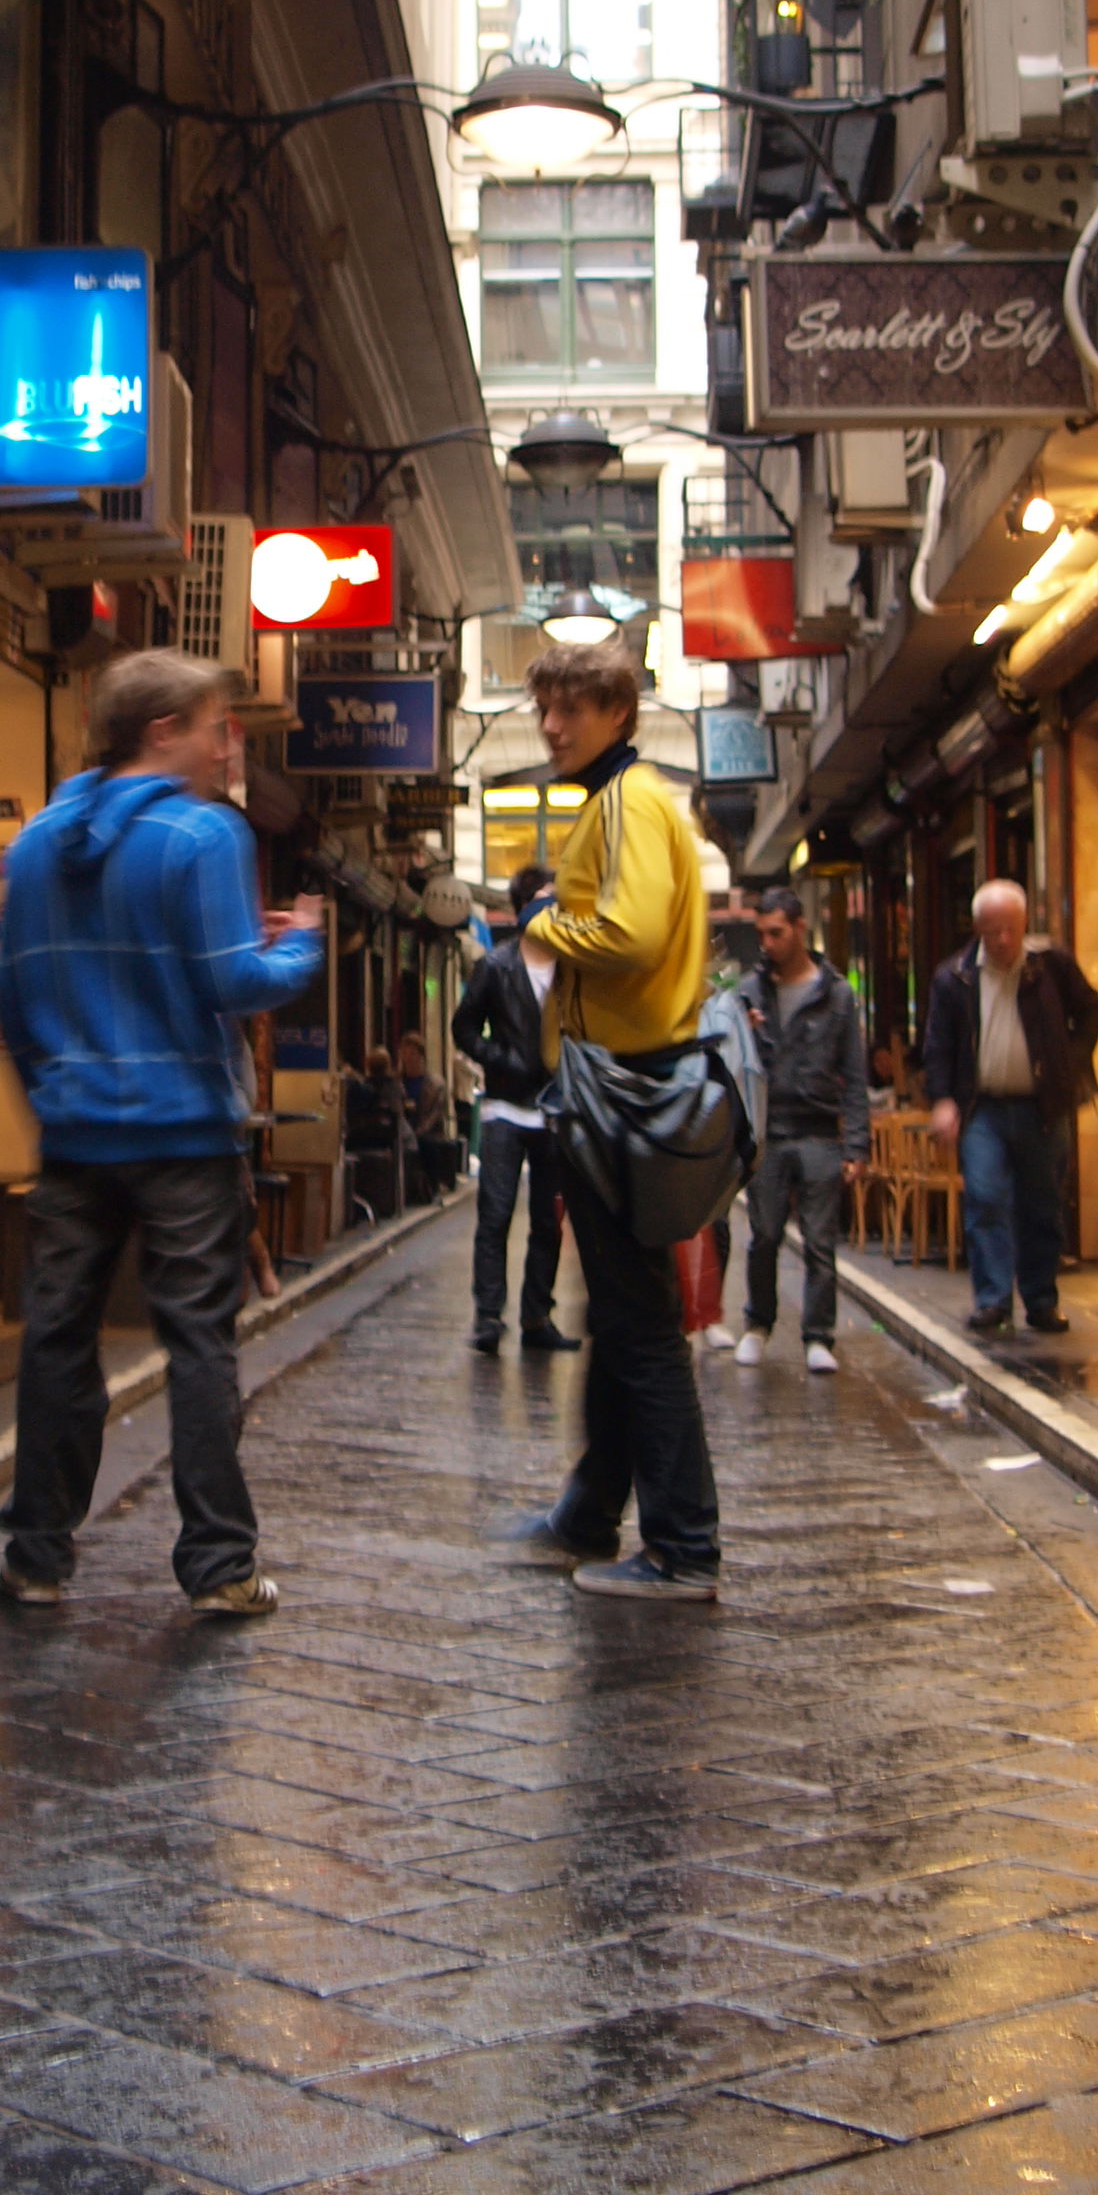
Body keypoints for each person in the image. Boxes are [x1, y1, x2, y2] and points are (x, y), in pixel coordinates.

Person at [0, 648, 321, 1615]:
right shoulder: (201, 836)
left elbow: (11, 1006)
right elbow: (233, 983)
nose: (232, 746)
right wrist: (297, 939)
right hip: (183, 1137)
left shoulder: (33, 844)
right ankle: (219, 1564)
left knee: (56, 1342)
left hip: (72, 1139)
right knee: (196, 1345)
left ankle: (37, 1558)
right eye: (220, 725)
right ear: (162, 731)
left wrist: (55, 1092)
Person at [505, 631, 721, 1599]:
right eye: (545, 709)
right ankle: (591, 1511)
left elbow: (626, 934)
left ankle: (683, 1547)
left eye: (573, 710)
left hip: (620, 1085)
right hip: (619, 1083)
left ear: (618, 715)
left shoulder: (629, 802)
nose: (552, 726)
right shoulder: (628, 801)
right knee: (625, 1319)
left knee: (639, 1329)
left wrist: (542, 921)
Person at [924, 879, 1098, 1337]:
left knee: (1042, 1204)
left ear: (1024, 924)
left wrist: (1072, 1059)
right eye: (992, 930)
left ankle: (1041, 1299)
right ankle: (993, 1300)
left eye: (1010, 929)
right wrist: (944, 1099)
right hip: (983, 1107)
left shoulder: (1051, 966)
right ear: (978, 928)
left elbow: (1091, 1011)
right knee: (985, 1198)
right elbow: (938, 1045)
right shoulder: (955, 977)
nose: (1003, 940)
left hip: (1042, 1106)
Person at [735, 884, 871, 1377]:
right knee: (765, 1234)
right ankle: (758, 1324)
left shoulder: (836, 994)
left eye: (775, 933)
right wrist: (742, 1033)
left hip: (817, 1130)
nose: (767, 944)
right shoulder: (750, 991)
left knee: (820, 1240)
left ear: (798, 929)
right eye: (761, 934)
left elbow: (854, 1076)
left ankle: (818, 1335)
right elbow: (727, 1063)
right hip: (768, 1132)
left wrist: (857, 1143)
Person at [452, 860, 573, 1355]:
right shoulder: (496, 966)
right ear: (524, 907)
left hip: (556, 1112)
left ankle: (537, 1315)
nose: (554, 908)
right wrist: (502, 1059)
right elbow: (464, 1029)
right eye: (545, 898)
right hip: (505, 1109)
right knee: (496, 1214)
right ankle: (487, 1315)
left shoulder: (573, 967)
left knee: (549, 1219)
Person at [395, 1032, 459, 1199]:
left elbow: (435, 1114)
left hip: (427, 1132)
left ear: (421, 1055)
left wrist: (418, 1132)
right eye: (405, 1054)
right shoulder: (398, 1082)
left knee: (427, 1145)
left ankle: (431, 1187)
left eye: (412, 1054)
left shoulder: (436, 1084)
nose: (408, 1059)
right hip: (404, 1130)